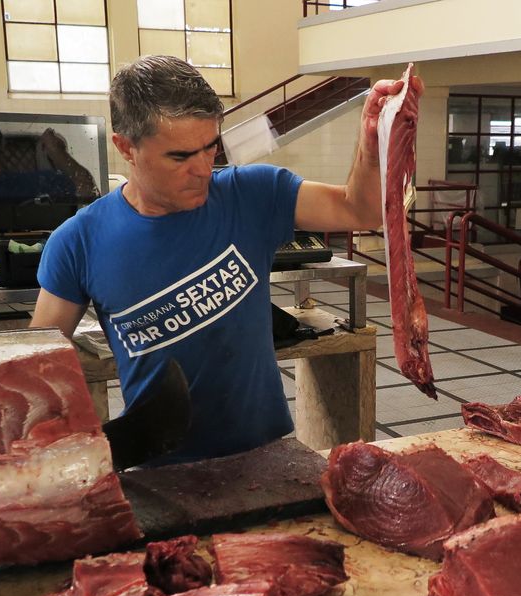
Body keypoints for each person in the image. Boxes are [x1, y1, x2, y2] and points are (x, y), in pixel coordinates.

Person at [31, 55, 417, 464]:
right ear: (126, 146)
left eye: (210, 146)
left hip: (267, 454)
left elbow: (360, 210)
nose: (203, 168)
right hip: (160, 471)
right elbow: (37, 369)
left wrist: (374, 145)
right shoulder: (78, 241)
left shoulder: (252, 194)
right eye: (180, 156)